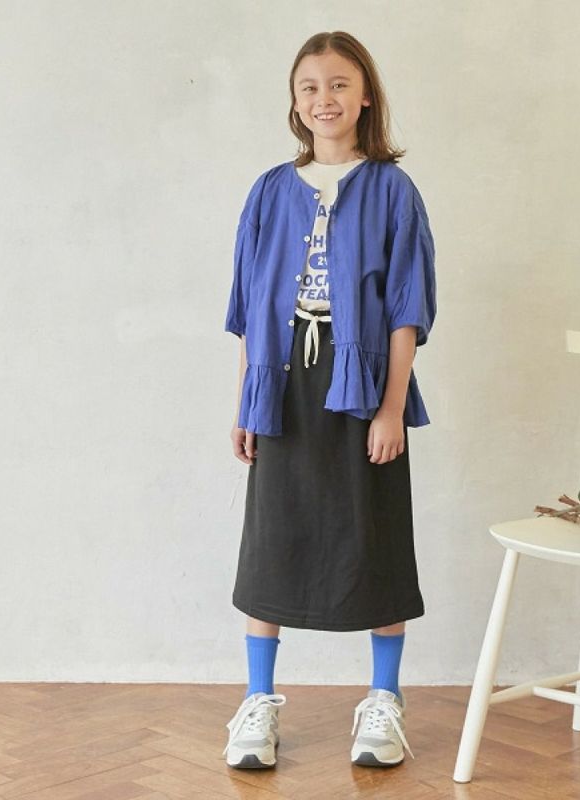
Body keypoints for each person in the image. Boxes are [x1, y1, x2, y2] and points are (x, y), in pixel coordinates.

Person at [221, 30, 437, 770]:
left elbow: (406, 309)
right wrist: (247, 401)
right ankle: (257, 702)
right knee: (271, 536)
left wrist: (391, 408)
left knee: (376, 533)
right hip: (283, 382)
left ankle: (384, 701)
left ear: (365, 95)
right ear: (295, 99)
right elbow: (251, 306)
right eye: (309, 86)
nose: (324, 99)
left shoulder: (393, 191)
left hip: (363, 386)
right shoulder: (270, 191)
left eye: (340, 84)